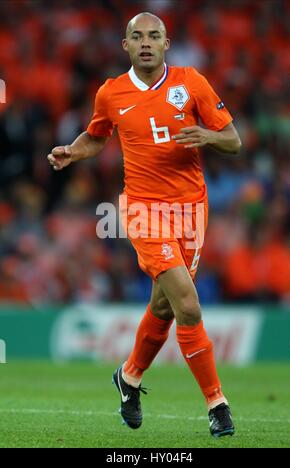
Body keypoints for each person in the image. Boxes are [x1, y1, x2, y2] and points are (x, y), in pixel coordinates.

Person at [48, 12, 241, 438]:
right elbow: (96, 136)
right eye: (138, 37)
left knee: (164, 306)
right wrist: (73, 152)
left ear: (167, 43)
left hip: (191, 209)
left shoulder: (192, 83)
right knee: (188, 304)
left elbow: (233, 139)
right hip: (142, 210)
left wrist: (207, 136)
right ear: (126, 46)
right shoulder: (111, 93)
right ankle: (217, 403)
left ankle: (129, 377)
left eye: (155, 36)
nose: (147, 42)